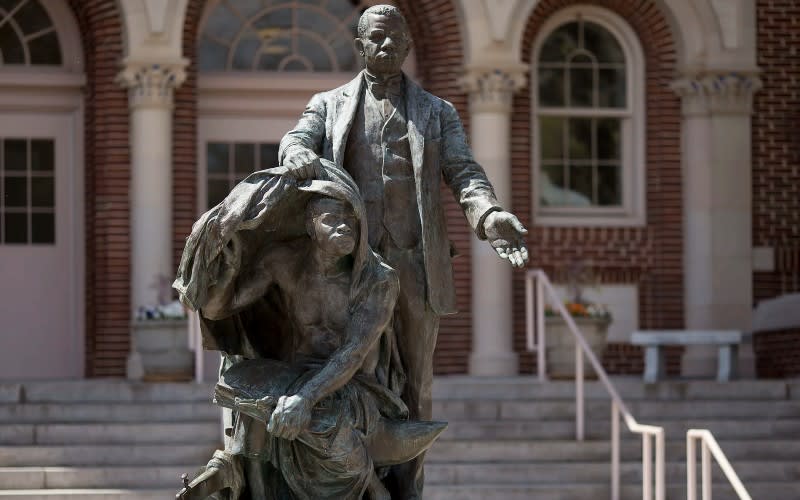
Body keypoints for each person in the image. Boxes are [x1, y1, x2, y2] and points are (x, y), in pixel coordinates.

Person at [278, 4, 529, 496]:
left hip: (415, 266)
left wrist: (488, 214)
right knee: (351, 373)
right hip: (354, 267)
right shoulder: (328, 105)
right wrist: (298, 153)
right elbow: (295, 139)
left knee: (417, 383)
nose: (388, 45)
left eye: (397, 37)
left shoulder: (438, 112)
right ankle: (359, 483)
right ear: (360, 46)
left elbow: (464, 172)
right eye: (377, 37)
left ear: (409, 46)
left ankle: (410, 488)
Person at [174, 161, 445, 499]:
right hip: (291, 375)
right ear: (311, 225)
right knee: (247, 382)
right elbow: (219, 311)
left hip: (352, 385)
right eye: (332, 219)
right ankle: (230, 466)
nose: (344, 227)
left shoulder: (377, 280)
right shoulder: (284, 262)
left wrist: (304, 399)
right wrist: (227, 273)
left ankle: (367, 484)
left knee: (323, 421)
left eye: (351, 220)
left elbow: (353, 352)